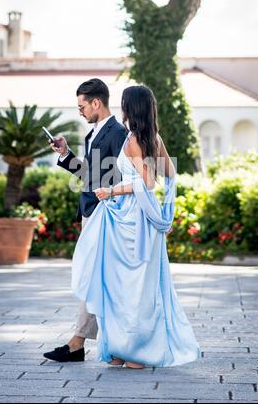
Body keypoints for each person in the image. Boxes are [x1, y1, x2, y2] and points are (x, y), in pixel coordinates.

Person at [71, 85, 201, 368]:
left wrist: (112, 192)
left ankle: (134, 352)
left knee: (126, 288)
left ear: (131, 108)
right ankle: (122, 349)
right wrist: (164, 212)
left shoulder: (132, 140)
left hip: (129, 220)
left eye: (124, 104)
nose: (121, 109)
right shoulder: (155, 139)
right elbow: (170, 175)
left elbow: (148, 183)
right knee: (136, 288)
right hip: (142, 217)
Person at [43, 78, 127, 363]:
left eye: (82, 106)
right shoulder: (95, 133)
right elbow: (90, 175)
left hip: (105, 214)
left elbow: (124, 176)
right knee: (96, 278)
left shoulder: (117, 133)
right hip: (91, 213)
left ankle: (79, 343)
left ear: (96, 103)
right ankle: (85, 343)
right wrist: (65, 154)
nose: (79, 111)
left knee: (95, 278)